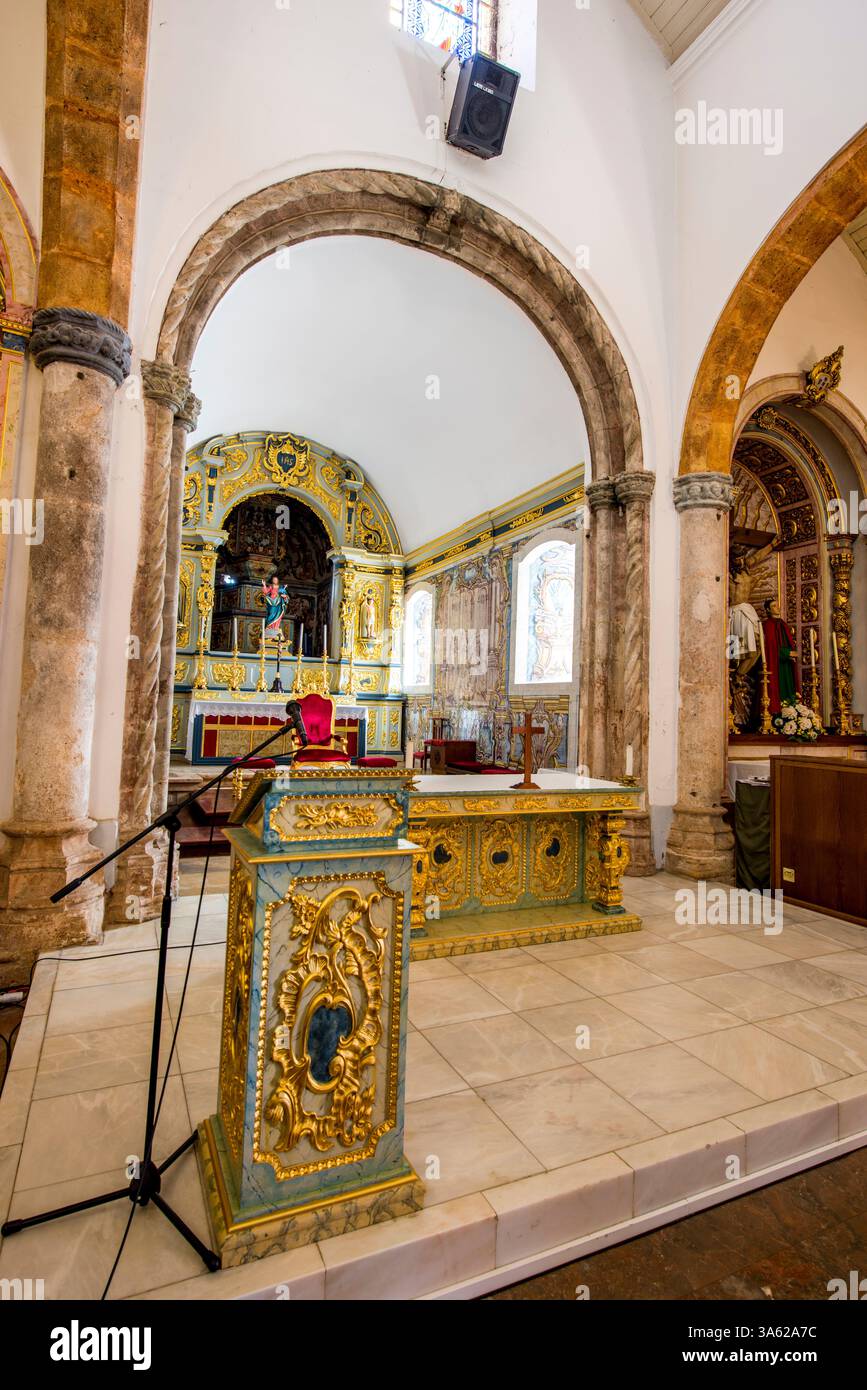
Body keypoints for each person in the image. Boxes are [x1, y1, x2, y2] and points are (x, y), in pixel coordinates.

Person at [761, 598, 799, 714]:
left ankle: (790, 712)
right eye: (773, 606)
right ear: (768, 610)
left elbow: (787, 642)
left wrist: (792, 653)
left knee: (789, 688)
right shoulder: (767, 625)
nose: (777, 607)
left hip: (786, 664)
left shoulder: (783, 624)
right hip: (775, 664)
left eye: (777, 605)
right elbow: (770, 647)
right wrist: (786, 653)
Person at [262, 574, 288, 638]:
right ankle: (269, 627)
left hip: (278, 603)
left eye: (276, 579)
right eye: (274, 579)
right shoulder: (271, 586)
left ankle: (275, 627)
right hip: (271, 602)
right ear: (272, 580)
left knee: (278, 615)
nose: (275, 580)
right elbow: (265, 591)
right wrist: (264, 585)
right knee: (271, 614)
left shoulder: (280, 588)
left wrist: (284, 596)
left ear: (278, 581)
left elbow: (285, 595)